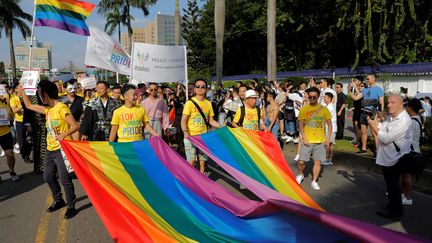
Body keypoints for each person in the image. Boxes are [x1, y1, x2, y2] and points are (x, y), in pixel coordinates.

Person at [20, 80, 79, 219]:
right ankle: (59, 200)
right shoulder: (47, 109)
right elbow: (28, 105)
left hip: (62, 149)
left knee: (64, 179)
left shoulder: (62, 108)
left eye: (40, 93)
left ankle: (71, 206)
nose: (40, 96)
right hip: (50, 150)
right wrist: (23, 91)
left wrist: (64, 134)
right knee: (48, 176)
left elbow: (75, 126)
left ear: (45, 94)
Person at [368, 94, 412, 219]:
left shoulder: (404, 121)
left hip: (396, 158)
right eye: (388, 102)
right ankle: (393, 206)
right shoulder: (392, 117)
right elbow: (381, 129)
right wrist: (377, 123)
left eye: (392, 102)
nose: (388, 105)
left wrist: (372, 125)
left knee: (393, 185)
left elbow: (386, 138)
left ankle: (396, 212)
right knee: (390, 184)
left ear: (401, 104)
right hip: (387, 156)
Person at [181, 79, 221, 174]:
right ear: (194, 89)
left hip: (203, 137)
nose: (200, 88)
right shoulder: (189, 103)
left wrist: (221, 126)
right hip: (190, 137)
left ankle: (202, 178)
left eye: (202, 87)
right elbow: (183, 120)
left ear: (206, 89)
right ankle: (192, 181)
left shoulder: (208, 103)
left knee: (203, 161)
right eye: (197, 86)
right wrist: (185, 131)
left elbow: (211, 121)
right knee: (191, 161)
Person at [296, 87, 332, 191]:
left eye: (314, 97)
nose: (312, 99)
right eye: (310, 97)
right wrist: (304, 138)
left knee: (317, 162)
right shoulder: (304, 109)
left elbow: (329, 125)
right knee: (301, 161)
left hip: (320, 141)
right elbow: (301, 125)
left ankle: (314, 181)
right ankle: (301, 174)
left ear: (318, 97)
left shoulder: (324, 109)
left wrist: (328, 138)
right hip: (307, 140)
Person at [352, 74, 384, 154]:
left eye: (368, 79)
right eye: (366, 79)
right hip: (363, 112)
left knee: (374, 132)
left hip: (372, 113)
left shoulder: (378, 89)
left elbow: (381, 102)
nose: (366, 80)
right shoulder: (365, 89)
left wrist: (380, 114)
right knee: (363, 131)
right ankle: (364, 148)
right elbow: (356, 98)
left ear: (373, 79)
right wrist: (350, 91)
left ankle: (378, 150)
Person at [400, 98, 423, 205]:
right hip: (415, 151)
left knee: (407, 175)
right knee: (406, 175)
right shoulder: (418, 119)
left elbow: (408, 138)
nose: (406, 108)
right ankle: (403, 194)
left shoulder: (412, 122)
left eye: (407, 106)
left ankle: (408, 197)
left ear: (411, 108)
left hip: (411, 152)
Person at [0, 89, 20, 182]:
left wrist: (9, 118)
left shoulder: (4, 103)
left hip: (5, 132)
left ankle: (12, 171)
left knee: (10, 155)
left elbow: (12, 117)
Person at [321, 92, 337, 165]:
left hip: (330, 128)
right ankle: (329, 159)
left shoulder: (329, 107)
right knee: (330, 144)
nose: (324, 99)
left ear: (329, 98)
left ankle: (326, 159)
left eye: (325, 97)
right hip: (332, 128)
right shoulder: (330, 106)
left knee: (327, 144)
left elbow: (325, 118)